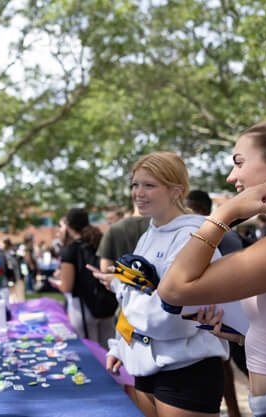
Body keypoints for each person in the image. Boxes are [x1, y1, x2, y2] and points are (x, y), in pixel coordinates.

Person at [158, 115, 266, 416]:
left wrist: (224, 213)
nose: (232, 177)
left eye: (239, 162)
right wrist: (246, 335)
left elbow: (173, 289)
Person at [92, 152, 229, 417]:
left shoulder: (196, 238)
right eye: (135, 184)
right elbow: (136, 302)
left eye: (149, 185)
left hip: (187, 369)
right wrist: (120, 346)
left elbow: (166, 319)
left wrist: (119, 285)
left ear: (176, 190)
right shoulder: (148, 235)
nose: (138, 193)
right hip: (145, 369)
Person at [185, 189, 246, 417]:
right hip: (211, 313)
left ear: (202, 210)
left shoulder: (224, 237)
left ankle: (234, 410)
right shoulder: (199, 235)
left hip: (228, 313)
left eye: (189, 208)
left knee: (233, 364)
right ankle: (233, 409)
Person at [52, 209, 116, 348]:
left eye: (61, 226)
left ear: (68, 226)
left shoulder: (70, 249)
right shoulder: (99, 241)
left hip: (84, 307)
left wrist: (56, 283)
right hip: (108, 303)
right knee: (109, 353)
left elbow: (66, 286)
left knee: (92, 354)